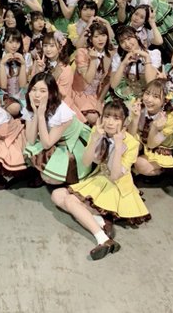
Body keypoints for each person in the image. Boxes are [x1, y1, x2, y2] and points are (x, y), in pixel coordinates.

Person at [52, 100, 150, 260]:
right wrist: (95, 138)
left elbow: (115, 175)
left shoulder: (131, 143)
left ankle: (102, 239)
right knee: (56, 195)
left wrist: (118, 146)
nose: (110, 122)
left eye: (116, 118)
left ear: (124, 121)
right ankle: (101, 221)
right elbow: (86, 162)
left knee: (70, 201)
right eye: (107, 116)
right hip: (99, 178)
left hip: (116, 187)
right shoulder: (98, 131)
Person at [23, 72, 92, 185]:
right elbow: (31, 139)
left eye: (43, 91)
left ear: (51, 93)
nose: (37, 95)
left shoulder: (61, 111)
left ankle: (62, 177)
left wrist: (41, 115)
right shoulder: (32, 104)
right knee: (26, 149)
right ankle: (45, 170)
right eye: (34, 89)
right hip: (53, 140)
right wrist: (36, 113)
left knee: (49, 178)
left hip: (70, 143)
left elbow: (47, 144)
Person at [130, 79, 173, 177]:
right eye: (147, 93)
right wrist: (135, 119)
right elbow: (130, 136)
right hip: (144, 141)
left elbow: (152, 145)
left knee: (141, 164)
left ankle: (162, 171)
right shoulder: (138, 105)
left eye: (156, 96)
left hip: (162, 146)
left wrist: (155, 128)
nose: (149, 99)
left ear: (165, 100)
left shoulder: (170, 117)